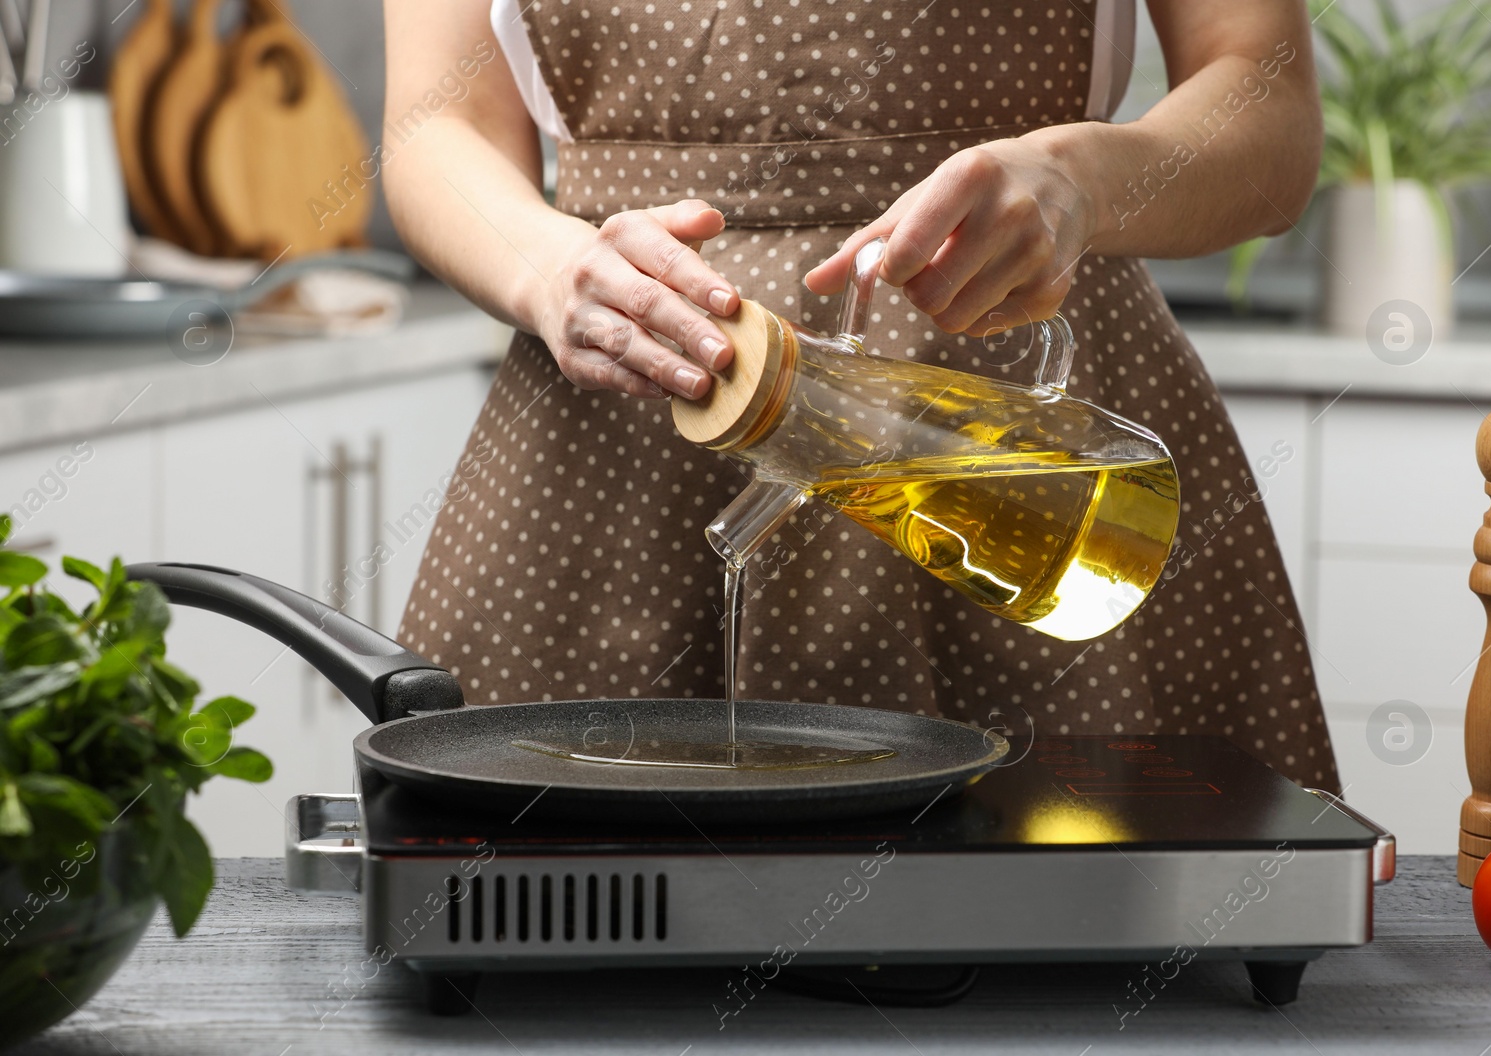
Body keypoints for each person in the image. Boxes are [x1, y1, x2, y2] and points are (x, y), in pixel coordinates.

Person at [381, 0, 1338, 787]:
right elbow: (438, 124)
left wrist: (1080, 183)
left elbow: (1269, 102)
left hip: (1015, 460)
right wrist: (551, 268)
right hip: (614, 443)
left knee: (1078, 952)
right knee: (563, 951)